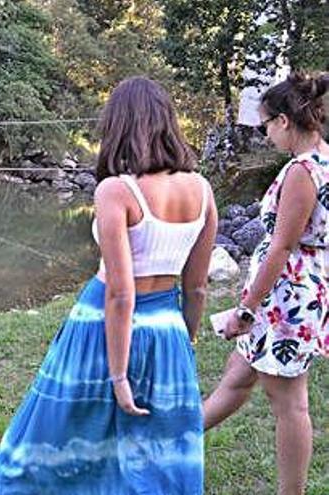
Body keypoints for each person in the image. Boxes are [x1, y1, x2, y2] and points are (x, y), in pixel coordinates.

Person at [0, 76, 217, 494]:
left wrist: (119, 373)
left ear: (119, 126)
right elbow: (196, 287)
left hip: (99, 326)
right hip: (167, 328)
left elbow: (121, 292)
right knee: (158, 448)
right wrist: (186, 338)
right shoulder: (201, 188)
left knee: (57, 431)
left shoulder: (116, 190)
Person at [203, 71, 329, 495]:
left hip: (285, 298)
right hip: (297, 290)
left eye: (264, 125)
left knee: (290, 404)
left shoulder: (302, 171)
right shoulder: (325, 158)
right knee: (238, 377)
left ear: (284, 121)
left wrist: (245, 310)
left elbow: (281, 248)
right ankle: (167, 441)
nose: (263, 134)